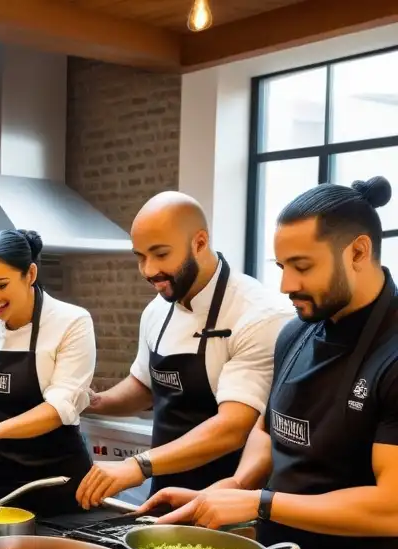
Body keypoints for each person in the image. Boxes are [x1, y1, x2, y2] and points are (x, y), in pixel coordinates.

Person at [140, 177, 398, 549]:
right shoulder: (295, 333)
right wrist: (235, 485)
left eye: (302, 266)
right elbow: (269, 428)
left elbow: (391, 508)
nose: (285, 284)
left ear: (357, 252)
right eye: (281, 266)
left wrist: (259, 502)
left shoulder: (392, 354)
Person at [76, 191, 291, 509]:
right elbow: (145, 387)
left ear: (200, 242)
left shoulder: (258, 314)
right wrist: (92, 402)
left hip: (228, 502)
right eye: (140, 257)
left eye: (160, 254)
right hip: (162, 494)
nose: (148, 270)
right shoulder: (156, 311)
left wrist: (138, 466)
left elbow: (233, 427)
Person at [0, 229, 96, 515]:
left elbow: (59, 408)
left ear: (30, 274)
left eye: (0, 285)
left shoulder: (71, 322)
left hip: (53, 486)